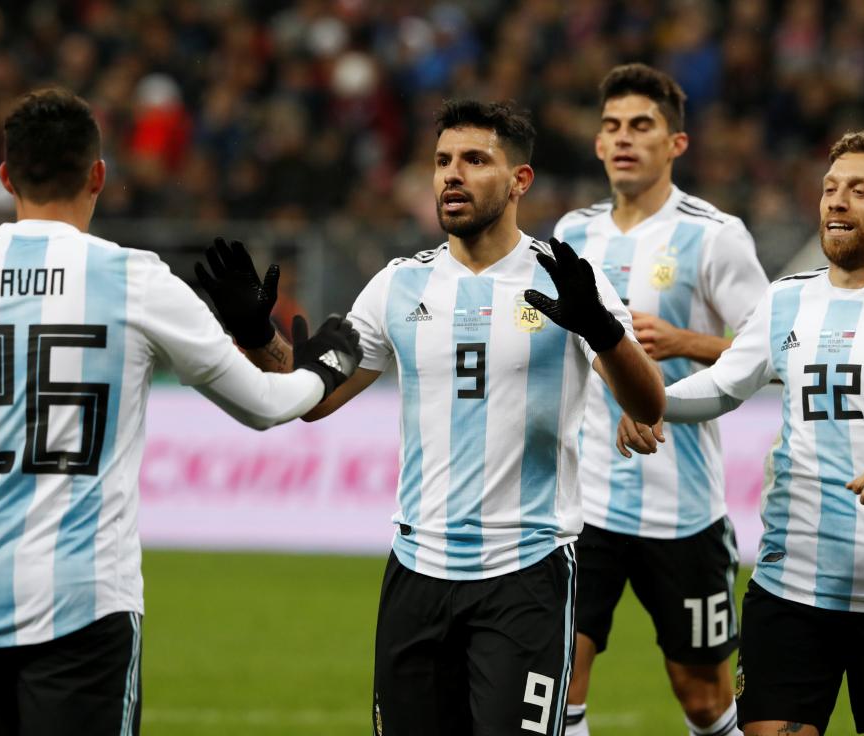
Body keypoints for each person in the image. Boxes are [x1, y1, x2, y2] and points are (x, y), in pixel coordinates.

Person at [0, 88, 362, 736]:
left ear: (5, 177)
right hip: (84, 606)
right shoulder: (134, 279)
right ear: (98, 175)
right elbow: (265, 405)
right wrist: (323, 368)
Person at [204, 99, 666, 735]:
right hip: (417, 573)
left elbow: (650, 405)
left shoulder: (566, 282)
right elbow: (309, 396)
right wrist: (257, 334)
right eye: (443, 161)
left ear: (518, 181)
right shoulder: (397, 285)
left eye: (476, 160)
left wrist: (603, 330)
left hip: (525, 571)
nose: (453, 174)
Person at [638, 129, 864, 735]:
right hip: (789, 582)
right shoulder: (787, 300)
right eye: (831, 188)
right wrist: (654, 401)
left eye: (860, 192)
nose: (837, 201)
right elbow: (726, 386)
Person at [556, 63, 768, 736]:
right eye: (612, 126)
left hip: (683, 506)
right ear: (596, 144)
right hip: (582, 504)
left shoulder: (714, 234)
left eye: (642, 126)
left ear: (676, 143)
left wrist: (690, 342)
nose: (624, 138)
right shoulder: (572, 233)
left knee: (704, 699)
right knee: (560, 685)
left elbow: (779, 350)